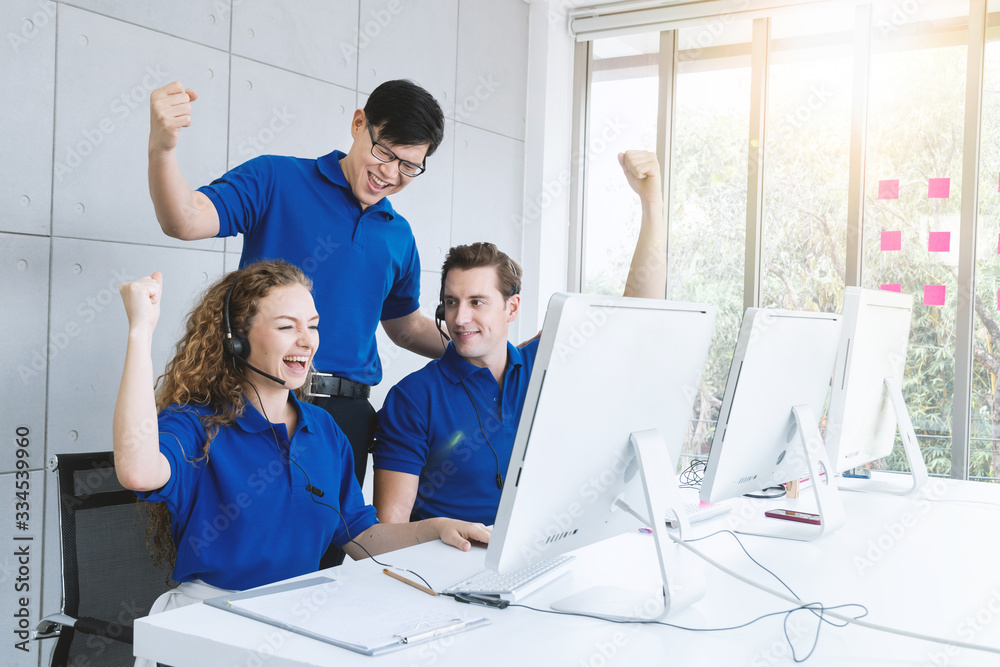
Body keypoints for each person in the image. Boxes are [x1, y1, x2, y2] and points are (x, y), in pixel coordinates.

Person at [112, 261, 489, 608]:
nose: (307, 340)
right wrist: (139, 332)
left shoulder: (323, 429)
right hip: (213, 615)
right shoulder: (196, 424)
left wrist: (434, 529)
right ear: (236, 340)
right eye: (286, 326)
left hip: (295, 613)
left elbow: (361, 536)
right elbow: (137, 472)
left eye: (312, 325)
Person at [147, 79, 448, 492]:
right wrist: (162, 148)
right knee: (250, 543)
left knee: (336, 549)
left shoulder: (399, 235)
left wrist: (484, 349)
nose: (390, 173)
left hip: (347, 417)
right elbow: (183, 219)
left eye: (409, 166)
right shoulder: (276, 177)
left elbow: (406, 326)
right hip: (258, 400)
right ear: (359, 123)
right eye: (385, 153)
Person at [372, 150, 666, 524]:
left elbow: (638, 318)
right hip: (448, 567)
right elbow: (388, 534)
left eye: (477, 302)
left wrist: (651, 202)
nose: (460, 318)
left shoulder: (546, 366)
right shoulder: (413, 398)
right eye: (451, 302)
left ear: (511, 309)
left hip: (541, 556)